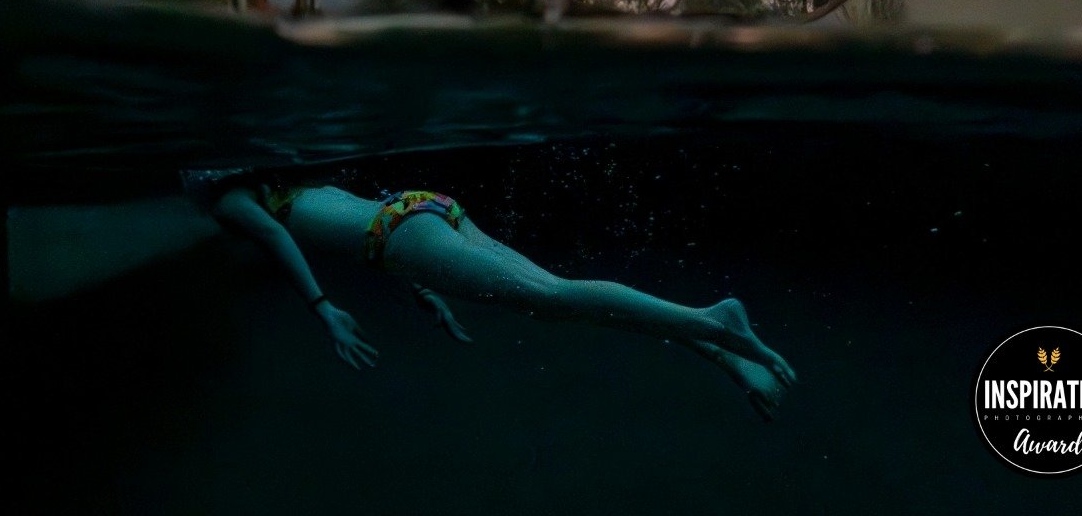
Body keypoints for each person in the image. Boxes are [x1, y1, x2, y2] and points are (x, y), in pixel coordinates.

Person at [196, 173, 796, 422]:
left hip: (402, 234)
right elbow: (355, 222)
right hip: (421, 210)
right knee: (553, 299)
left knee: (554, 296)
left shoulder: (226, 199)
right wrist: (422, 288)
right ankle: (720, 348)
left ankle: (715, 324)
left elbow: (280, 235)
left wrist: (322, 309)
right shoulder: (287, 181)